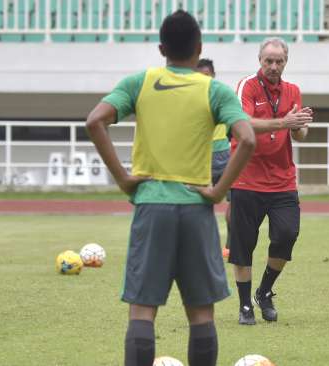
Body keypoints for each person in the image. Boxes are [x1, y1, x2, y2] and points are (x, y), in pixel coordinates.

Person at [85, 10, 255, 366]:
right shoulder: (214, 89)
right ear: (200, 48)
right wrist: (219, 190)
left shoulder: (140, 83)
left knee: (143, 311)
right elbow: (248, 138)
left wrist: (124, 178)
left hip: (152, 207)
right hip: (196, 207)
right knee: (201, 314)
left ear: (161, 47)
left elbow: (95, 120)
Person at [230, 37, 313, 325]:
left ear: (286, 62)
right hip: (245, 179)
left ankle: (264, 292)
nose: (274, 66)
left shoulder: (293, 90)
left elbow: (297, 134)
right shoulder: (247, 86)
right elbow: (243, 122)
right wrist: (284, 123)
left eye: (279, 61)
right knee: (243, 245)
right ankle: (244, 307)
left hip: (282, 181)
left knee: (287, 235)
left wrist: (300, 124)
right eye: (269, 61)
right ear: (260, 60)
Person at [197, 58, 232, 258]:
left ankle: (223, 247)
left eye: (207, 76)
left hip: (215, 155)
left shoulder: (218, 96)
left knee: (232, 201)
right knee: (204, 206)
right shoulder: (221, 96)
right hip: (207, 156)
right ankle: (219, 247)